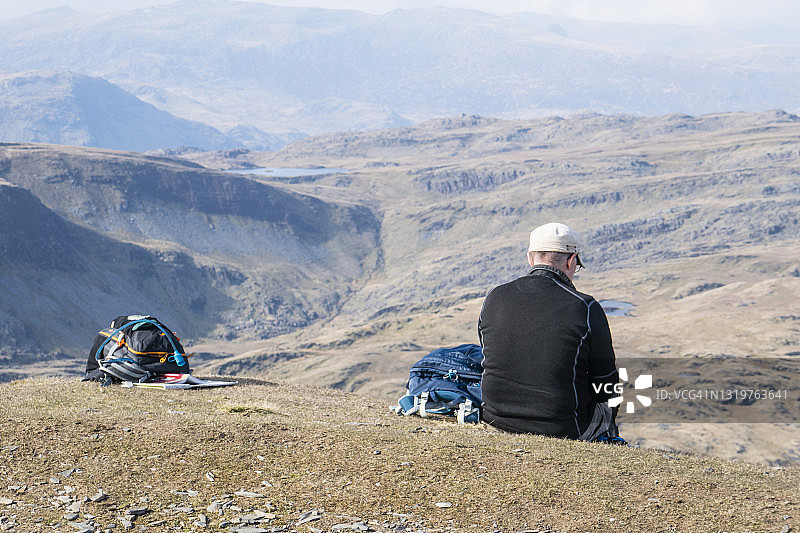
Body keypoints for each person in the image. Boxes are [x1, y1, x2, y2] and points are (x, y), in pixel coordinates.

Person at [478, 222, 624, 443]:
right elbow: (605, 382)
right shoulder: (585, 307)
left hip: (494, 419)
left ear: (530, 258)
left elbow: (489, 355)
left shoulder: (494, 297)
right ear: (571, 260)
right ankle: (608, 441)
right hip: (564, 428)